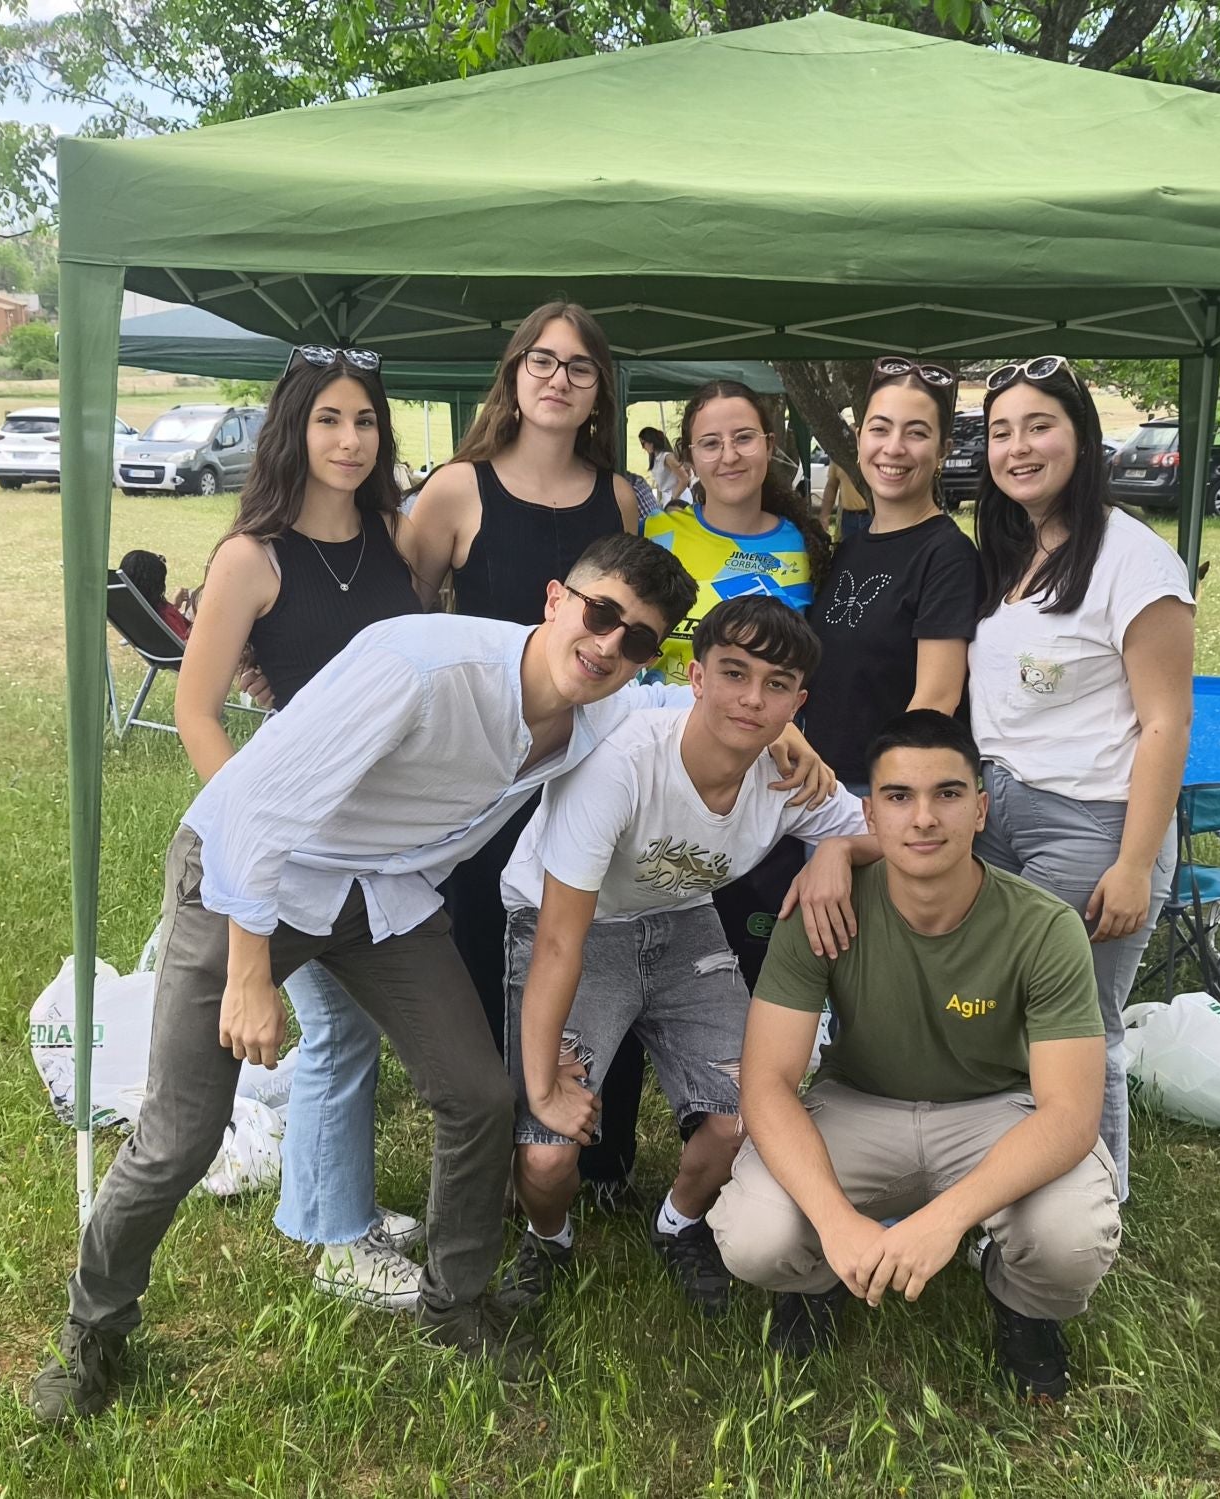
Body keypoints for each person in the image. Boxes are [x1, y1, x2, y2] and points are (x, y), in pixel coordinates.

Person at [30, 534, 704, 1420]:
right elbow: (254, 810)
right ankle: (93, 1331)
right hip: (247, 874)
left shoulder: (597, 710)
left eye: (641, 638)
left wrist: (795, 760)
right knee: (179, 1137)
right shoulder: (425, 665)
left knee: (477, 1093)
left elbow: (679, 716)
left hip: (377, 889)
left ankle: (454, 1304)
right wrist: (248, 976)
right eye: (601, 612)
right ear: (554, 598)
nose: (613, 644)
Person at [711, 711, 1121, 1400]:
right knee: (755, 1234)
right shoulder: (823, 907)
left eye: (948, 794)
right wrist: (839, 1224)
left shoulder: (1045, 926)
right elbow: (768, 1084)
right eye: (899, 796)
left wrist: (944, 1220)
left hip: (995, 1110)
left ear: (982, 808)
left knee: (1070, 1236)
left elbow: (1072, 1114)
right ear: (869, 813)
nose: (924, 817)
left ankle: (1022, 1304)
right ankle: (818, 1282)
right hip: (859, 1103)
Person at [497, 598, 868, 1318]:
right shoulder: (624, 764)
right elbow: (558, 939)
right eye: (734, 673)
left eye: (775, 684)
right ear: (695, 676)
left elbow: (888, 829)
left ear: (799, 701)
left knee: (745, 1112)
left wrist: (838, 848)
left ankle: (679, 1223)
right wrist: (542, 1086)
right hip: (568, 926)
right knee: (547, 1152)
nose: (752, 699)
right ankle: (549, 1236)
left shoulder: (788, 775)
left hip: (680, 922)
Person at [170, 345, 428, 1313]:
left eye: (365, 421)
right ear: (293, 430)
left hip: (387, 828)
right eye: (328, 420)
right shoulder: (251, 556)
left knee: (343, 1027)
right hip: (293, 831)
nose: (350, 439)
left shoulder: (398, 538)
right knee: (336, 1031)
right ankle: (337, 1237)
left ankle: (330, 1206)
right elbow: (199, 712)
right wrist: (255, 825)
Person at [398, 303, 642, 1203]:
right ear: (514, 372)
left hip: (583, 760)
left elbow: (630, 630)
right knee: (477, 945)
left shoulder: (617, 498)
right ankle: (491, 1141)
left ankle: (590, 1144)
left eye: (579, 368)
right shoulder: (458, 488)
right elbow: (407, 619)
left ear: (597, 392)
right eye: (543, 360)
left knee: (582, 940)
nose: (558, 379)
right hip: (480, 766)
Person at [968, 355, 1195, 1202]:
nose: (1018, 447)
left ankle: (1089, 1212)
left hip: (1094, 823)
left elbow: (1168, 722)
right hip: (998, 810)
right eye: (1001, 432)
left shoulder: (1135, 561)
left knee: (1072, 1026)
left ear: (1081, 437)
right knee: (999, 1014)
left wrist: (1135, 864)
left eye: (1039, 426)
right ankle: (1008, 1186)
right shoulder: (1009, 553)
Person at [803, 357, 980, 793]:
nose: (894, 447)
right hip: (817, 785)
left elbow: (935, 702)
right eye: (880, 429)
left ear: (943, 451)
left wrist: (890, 797)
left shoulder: (948, 555)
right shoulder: (847, 549)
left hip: (884, 792)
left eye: (916, 433)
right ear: (860, 438)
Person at [640, 380, 830, 687]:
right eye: (711, 443)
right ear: (689, 457)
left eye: (743, 438)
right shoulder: (654, 534)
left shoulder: (806, 548)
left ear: (769, 446)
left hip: (764, 733)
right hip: (658, 728)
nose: (729, 456)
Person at [117, 549, 192, 640]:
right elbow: (187, 644)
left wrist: (175, 606)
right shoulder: (165, 616)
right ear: (158, 584)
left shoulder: (138, 610)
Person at [816, 435, 872, 543]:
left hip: (871, 516)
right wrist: (824, 515)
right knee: (850, 554)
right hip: (848, 517)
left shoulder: (873, 454)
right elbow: (832, 485)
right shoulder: (839, 456)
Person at [639, 425, 690, 511]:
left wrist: (673, 500)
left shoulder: (667, 457)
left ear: (651, 442)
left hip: (679, 498)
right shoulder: (655, 459)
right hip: (667, 498)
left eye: (643, 443)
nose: (643, 447)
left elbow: (684, 478)